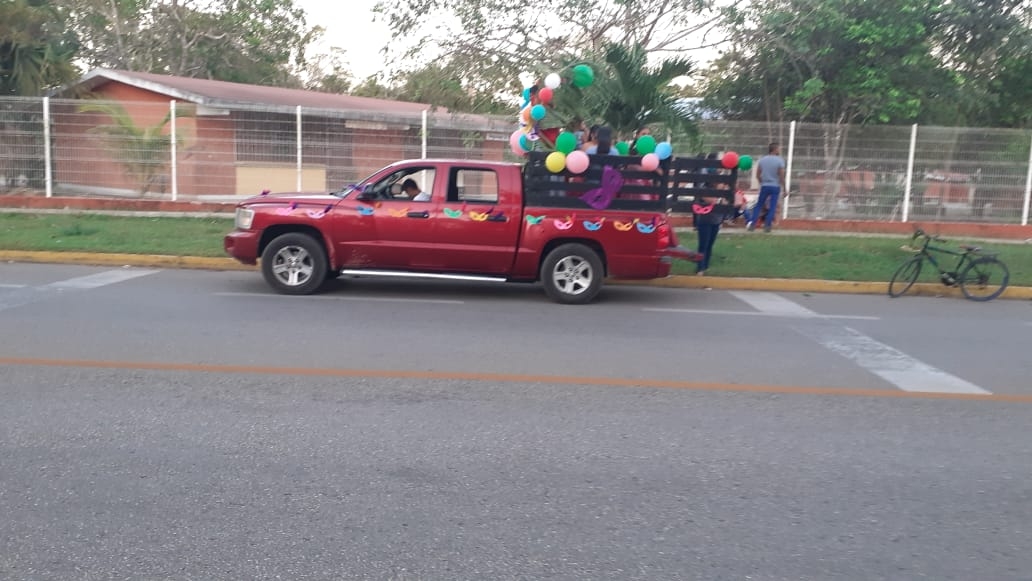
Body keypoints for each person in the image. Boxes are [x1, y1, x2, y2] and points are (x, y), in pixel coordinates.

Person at [748, 142, 786, 232]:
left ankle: (752, 224)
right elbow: (781, 176)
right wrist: (785, 188)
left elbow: (758, 175)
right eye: (779, 148)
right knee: (772, 206)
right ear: (775, 149)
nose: (780, 150)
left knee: (759, 205)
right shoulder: (780, 161)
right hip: (775, 186)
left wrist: (763, 182)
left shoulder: (762, 160)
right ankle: (767, 225)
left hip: (765, 185)